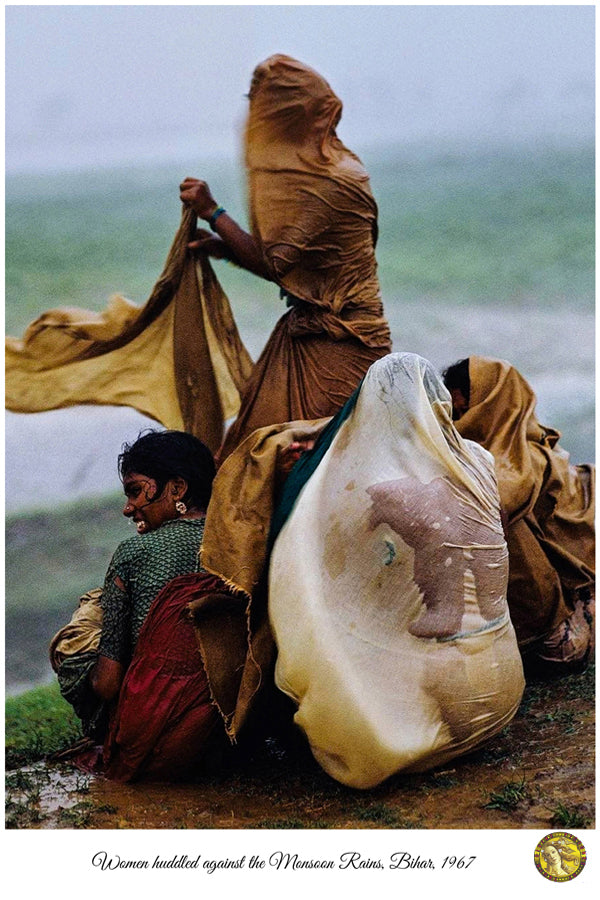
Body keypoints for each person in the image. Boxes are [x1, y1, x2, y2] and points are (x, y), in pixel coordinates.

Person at [262, 352, 525, 789]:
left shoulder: (379, 490)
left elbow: (317, 555)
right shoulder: (480, 462)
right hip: (505, 694)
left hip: (445, 700)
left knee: (338, 642)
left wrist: (306, 471)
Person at [179, 53, 392, 461]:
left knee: (304, 463)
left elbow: (278, 263)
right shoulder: (320, 168)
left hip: (342, 346)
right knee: (243, 458)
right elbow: (290, 267)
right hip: (304, 335)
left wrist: (213, 212)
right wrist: (228, 250)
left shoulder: (334, 180)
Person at [51, 430, 225, 781]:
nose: (128, 508)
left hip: (149, 738)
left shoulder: (132, 554)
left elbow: (107, 686)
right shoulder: (242, 542)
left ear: (177, 489)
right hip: (229, 731)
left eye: (135, 491)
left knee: (81, 625)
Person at [442, 356, 595, 671]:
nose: (455, 422)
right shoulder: (528, 450)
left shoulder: (513, 469)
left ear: (490, 405)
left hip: (556, 637)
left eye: (462, 411)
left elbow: (495, 506)